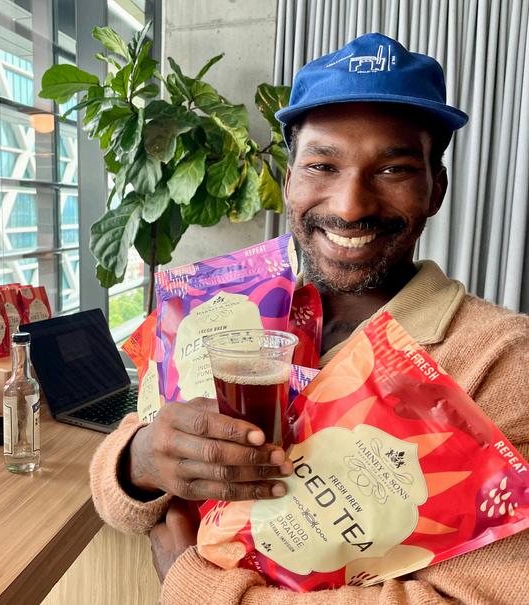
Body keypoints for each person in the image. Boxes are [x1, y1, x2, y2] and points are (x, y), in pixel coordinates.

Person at [88, 32, 529, 604]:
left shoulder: (501, 359)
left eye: (392, 170)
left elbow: (485, 594)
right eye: (322, 165)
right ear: (289, 179)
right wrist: (142, 458)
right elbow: (120, 474)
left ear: (435, 189)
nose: (350, 206)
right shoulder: (235, 309)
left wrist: (197, 586)